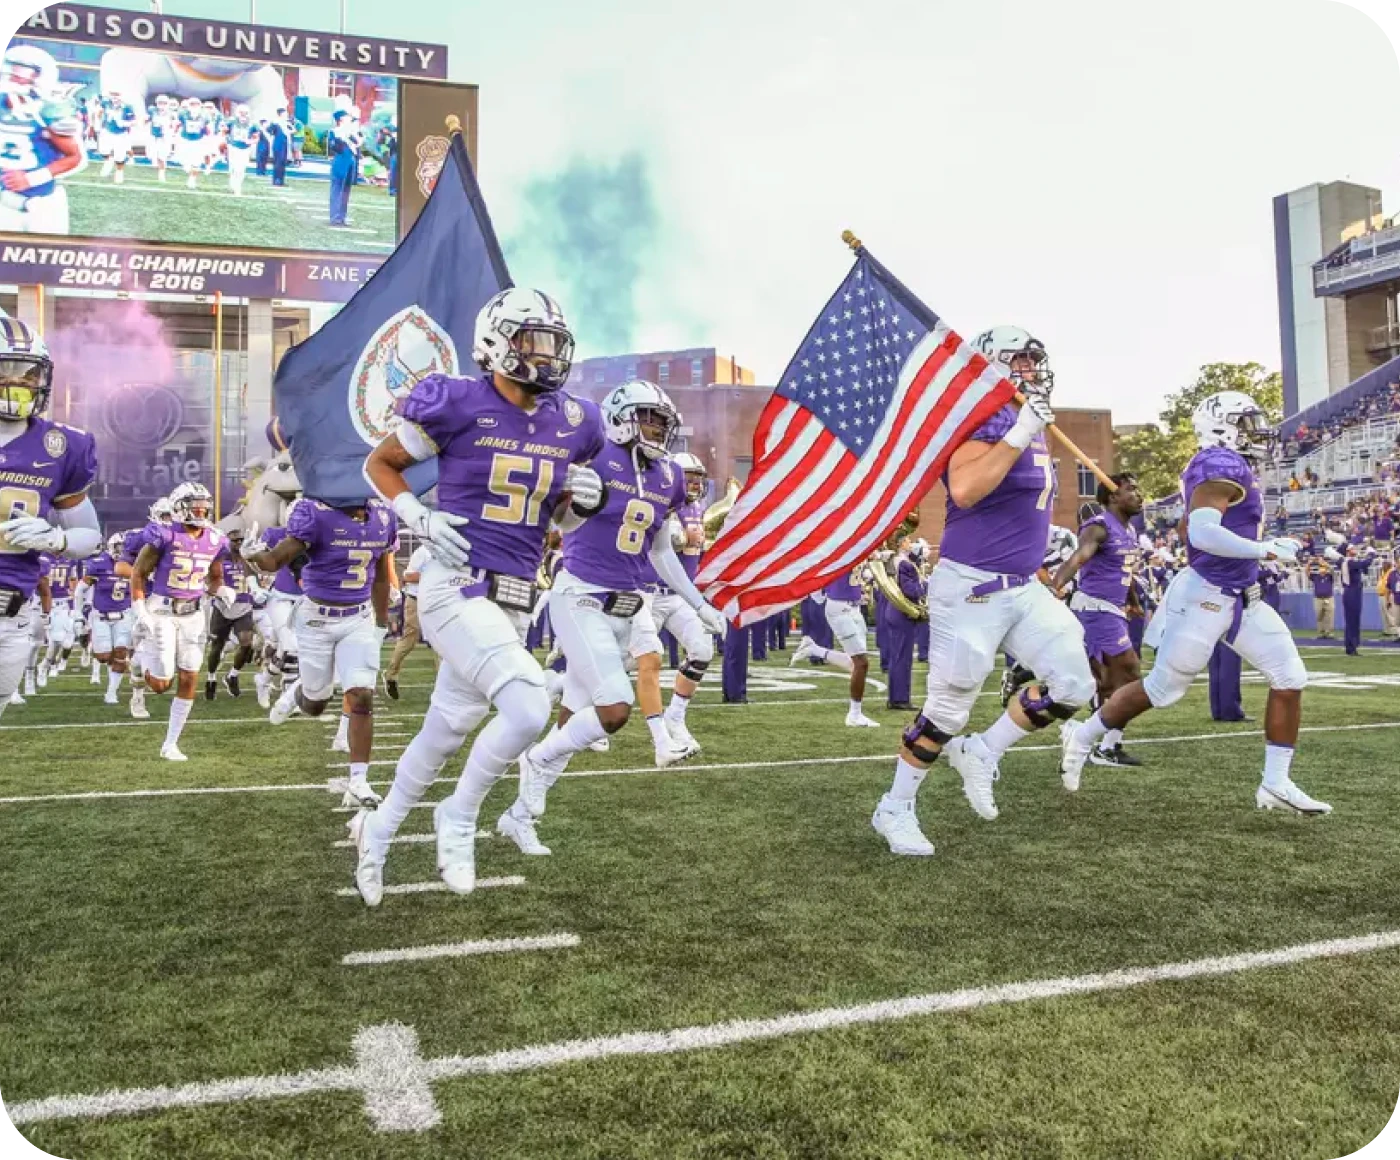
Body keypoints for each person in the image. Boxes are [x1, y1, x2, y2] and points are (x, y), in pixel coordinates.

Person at [352, 288, 605, 907]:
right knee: (525, 707)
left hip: (514, 596)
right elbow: (379, 465)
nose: (544, 355)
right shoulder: (458, 400)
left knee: (446, 729)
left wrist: (580, 509)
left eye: (551, 342)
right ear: (496, 342)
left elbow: (554, 524)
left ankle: (376, 832)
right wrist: (418, 515)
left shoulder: (577, 422)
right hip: (454, 583)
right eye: (531, 340)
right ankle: (458, 816)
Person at [872, 327, 1095, 853]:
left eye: (1035, 362)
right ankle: (894, 808)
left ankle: (985, 750)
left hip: (1022, 587)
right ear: (992, 366)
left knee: (1074, 685)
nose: (1033, 371)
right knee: (948, 709)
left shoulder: (1032, 423)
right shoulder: (985, 419)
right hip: (971, 586)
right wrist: (1017, 432)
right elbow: (967, 489)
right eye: (1021, 361)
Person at [1062, 390, 1329, 814]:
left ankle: (1275, 783)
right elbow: (1202, 533)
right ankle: (1083, 734)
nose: (1256, 430)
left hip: (1243, 597)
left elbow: (1189, 528)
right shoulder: (1218, 464)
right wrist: (1266, 549)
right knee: (1162, 688)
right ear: (1222, 427)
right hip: (1207, 596)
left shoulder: (1233, 465)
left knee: (1290, 676)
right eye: (1246, 422)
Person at [504, 382, 726, 855]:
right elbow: (558, 524)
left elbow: (663, 551)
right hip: (581, 595)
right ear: (622, 417)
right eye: (649, 418)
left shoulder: (667, 474)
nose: (657, 429)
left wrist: (699, 602)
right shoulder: (595, 455)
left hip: (627, 605)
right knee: (614, 709)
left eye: (662, 422)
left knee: (576, 719)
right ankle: (536, 760)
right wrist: (571, 500)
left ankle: (519, 816)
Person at [247, 497, 397, 808]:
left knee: (361, 694)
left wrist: (381, 624)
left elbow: (381, 575)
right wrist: (253, 557)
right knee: (315, 705)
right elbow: (275, 560)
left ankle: (358, 781)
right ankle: (297, 692)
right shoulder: (315, 512)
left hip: (358, 618)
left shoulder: (383, 515)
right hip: (316, 619)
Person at [0, 318, 101, 722]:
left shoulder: (62, 445)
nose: (18, 383)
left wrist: (56, 540)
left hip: (11, 614)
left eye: (27, 373)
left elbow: (89, 536)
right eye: (4, 371)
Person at [129, 483, 231, 761]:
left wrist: (222, 590)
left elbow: (215, 577)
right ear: (179, 507)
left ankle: (171, 743)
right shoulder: (163, 534)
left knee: (189, 675)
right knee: (161, 685)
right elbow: (138, 573)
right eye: (193, 504)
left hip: (194, 616)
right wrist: (140, 611)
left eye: (203, 504)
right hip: (162, 612)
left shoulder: (216, 539)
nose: (200, 510)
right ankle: (138, 663)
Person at [1053, 472, 1146, 767]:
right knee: (1129, 676)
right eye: (1131, 490)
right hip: (1095, 610)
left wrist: (1132, 601)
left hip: (1113, 610)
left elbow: (1125, 570)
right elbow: (1079, 558)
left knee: (1105, 683)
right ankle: (1098, 743)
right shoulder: (1098, 527)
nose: (1139, 494)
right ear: (1113, 496)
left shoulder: (1129, 530)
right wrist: (1055, 586)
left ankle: (1099, 742)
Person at [646, 450, 716, 752]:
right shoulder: (658, 503)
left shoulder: (696, 508)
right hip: (646, 591)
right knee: (624, 659)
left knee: (701, 650)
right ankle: (589, 715)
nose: (694, 485)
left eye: (698, 479)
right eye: (688, 478)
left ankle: (675, 717)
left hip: (678, 597)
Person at [0, 45, 83, 235]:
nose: (18, 76)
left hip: (42, 204)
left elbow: (73, 157)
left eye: (25, 72)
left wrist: (30, 179)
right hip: (5, 202)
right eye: (14, 70)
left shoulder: (46, 110)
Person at [790, 565, 882, 727]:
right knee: (861, 663)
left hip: (855, 606)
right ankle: (854, 715)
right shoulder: (844, 548)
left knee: (855, 664)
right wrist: (818, 592)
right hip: (839, 607)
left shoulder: (860, 548)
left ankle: (813, 649)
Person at [202, 526, 258, 700]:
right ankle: (211, 678)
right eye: (235, 540)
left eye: (241, 540)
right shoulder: (218, 560)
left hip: (244, 605)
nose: (239, 543)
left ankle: (232, 675)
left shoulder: (248, 558)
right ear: (227, 542)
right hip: (222, 607)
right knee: (217, 647)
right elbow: (208, 583)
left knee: (246, 642)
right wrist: (219, 592)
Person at [80, 533, 133, 705]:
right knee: (103, 656)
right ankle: (99, 662)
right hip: (101, 615)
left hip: (124, 614)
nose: (121, 551)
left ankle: (111, 692)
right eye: (118, 547)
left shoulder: (132, 564)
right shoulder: (98, 564)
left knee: (121, 653)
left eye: (124, 548)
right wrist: (79, 612)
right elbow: (80, 589)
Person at [383, 539, 434, 699]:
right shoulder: (423, 552)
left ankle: (443, 688)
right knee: (409, 640)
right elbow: (408, 576)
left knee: (442, 643)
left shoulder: (449, 554)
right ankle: (391, 675)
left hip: (438, 601)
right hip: (416, 599)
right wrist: (433, 576)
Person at [881, 539, 925, 712]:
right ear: (900, 544)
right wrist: (926, 586)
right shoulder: (904, 564)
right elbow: (910, 590)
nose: (909, 542)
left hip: (895, 611)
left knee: (898, 657)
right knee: (902, 658)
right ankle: (899, 699)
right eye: (906, 540)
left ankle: (896, 697)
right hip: (902, 613)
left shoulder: (895, 561)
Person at [327, 109, 360, 227]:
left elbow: (358, 143)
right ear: (341, 119)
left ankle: (342, 217)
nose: (349, 118)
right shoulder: (335, 131)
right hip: (341, 160)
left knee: (346, 190)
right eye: (347, 117)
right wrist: (341, 138)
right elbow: (333, 147)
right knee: (337, 189)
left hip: (350, 159)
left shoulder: (350, 131)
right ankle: (335, 217)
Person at [1340, 544, 1375, 655]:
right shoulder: (1349, 562)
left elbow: (1364, 569)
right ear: (1348, 551)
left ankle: (1351, 646)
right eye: (1353, 549)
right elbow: (1365, 563)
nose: (1355, 550)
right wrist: (1370, 555)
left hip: (1354, 592)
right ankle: (1352, 646)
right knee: (1352, 620)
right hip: (1351, 592)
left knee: (1353, 620)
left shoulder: (1351, 562)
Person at [223, 105, 258, 197]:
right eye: (241, 112)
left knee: (241, 169)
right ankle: (233, 180)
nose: (243, 115)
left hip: (245, 149)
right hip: (233, 147)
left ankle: (238, 188)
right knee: (233, 168)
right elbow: (224, 132)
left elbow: (256, 138)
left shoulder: (252, 124)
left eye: (245, 113)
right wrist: (227, 140)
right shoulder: (232, 122)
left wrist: (250, 141)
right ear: (237, 113)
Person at [1309, 552, 1337, 639]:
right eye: (1321, 568)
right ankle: (1321, 632)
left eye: (1323, 568)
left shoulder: (1329, 576)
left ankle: (1329, 632)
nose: (1322, 569)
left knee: (1330, 615)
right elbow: (1307, 572)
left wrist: (1325, 564)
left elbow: (1333, 571)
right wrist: (1310, 563)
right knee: (1319, 615)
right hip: (1318, 598)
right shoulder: (1316, 576)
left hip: (1329, 597)